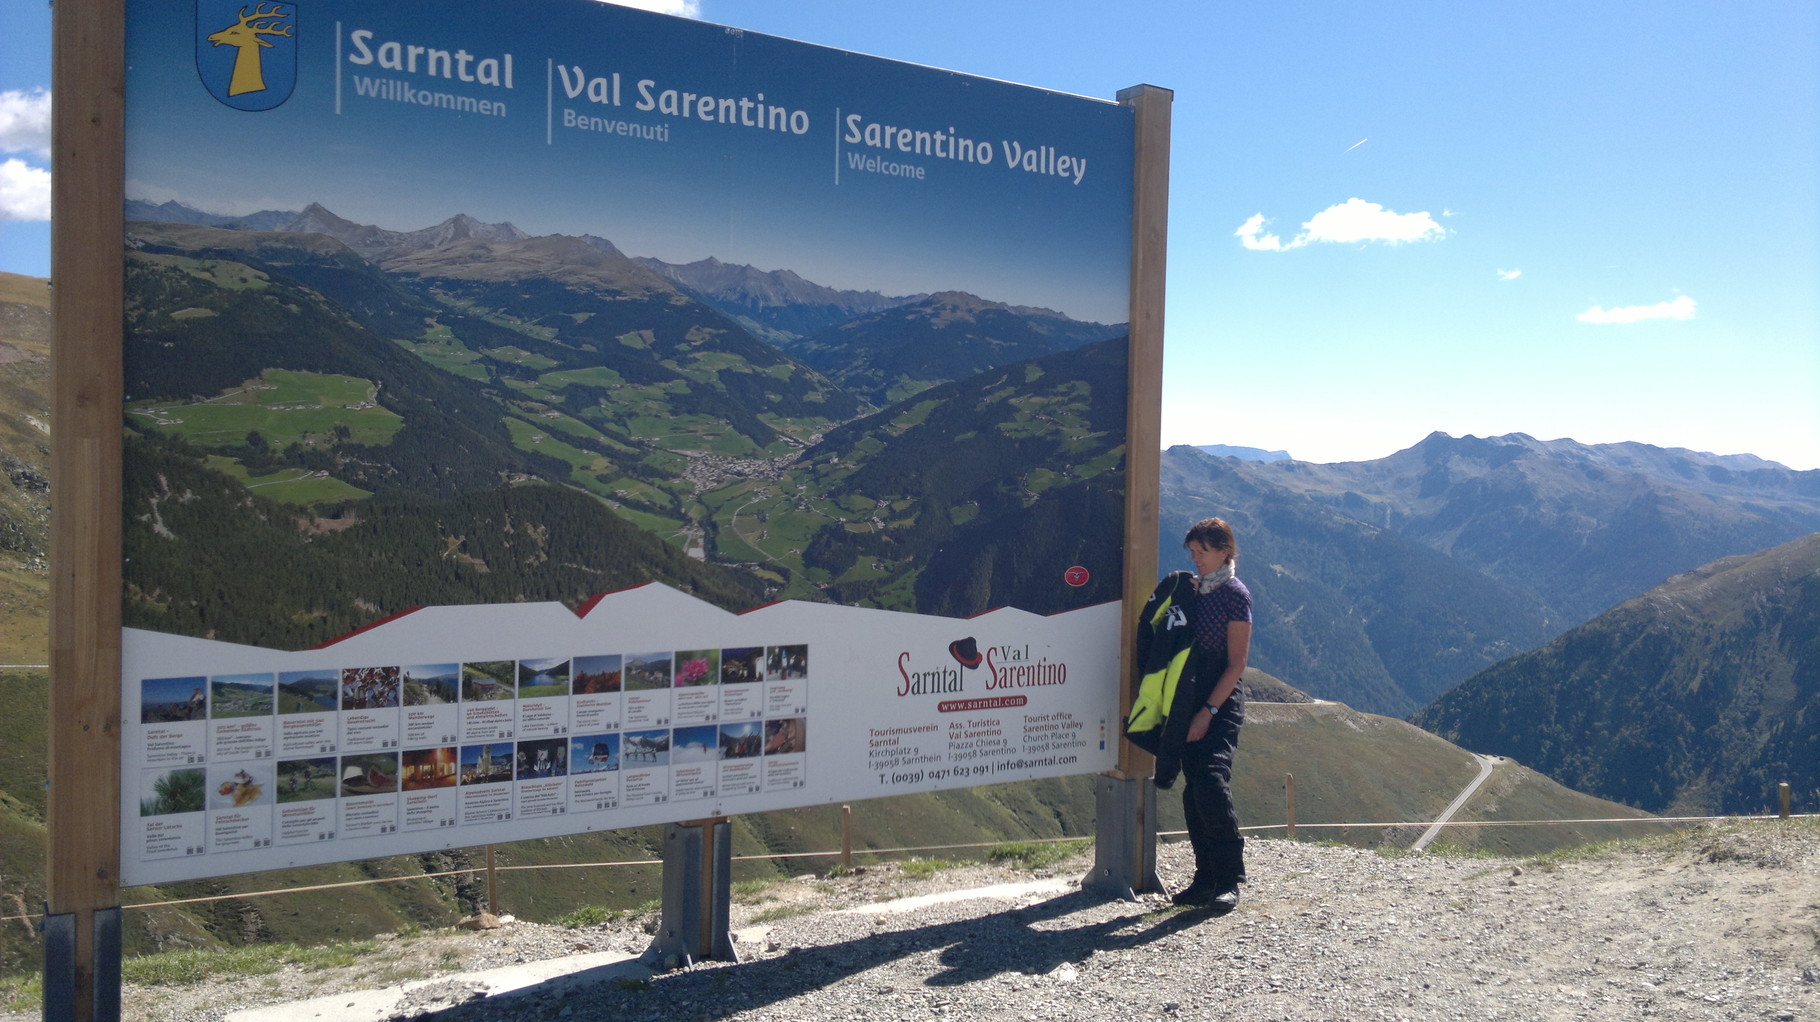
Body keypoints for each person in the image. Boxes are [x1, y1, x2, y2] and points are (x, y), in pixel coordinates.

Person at [1125, 517, 1252, 908]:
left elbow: (1236, 663)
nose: (1195, 558)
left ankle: (1230, 878)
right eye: (1193, 552)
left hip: (1219, 699)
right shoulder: (1189, 591)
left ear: (1224, 552)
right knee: (1194, 789)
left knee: (1211, 781)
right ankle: (1205, 879)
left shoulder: (1235, 595)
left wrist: (1208, 712)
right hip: (1185, 698)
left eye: (1203, 552)